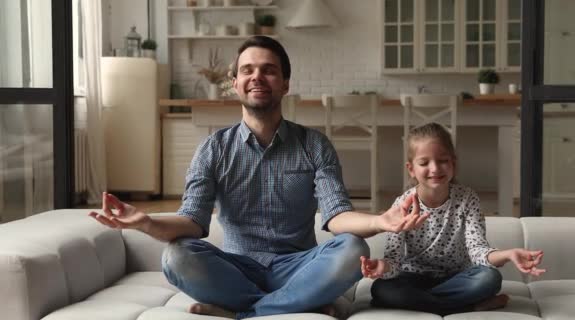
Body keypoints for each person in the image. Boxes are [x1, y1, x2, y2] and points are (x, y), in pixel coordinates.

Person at [89, 36, 429, 320]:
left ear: (285, 84)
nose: (257, 77)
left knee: (353, 247)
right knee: (176, 256)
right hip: (237, 267)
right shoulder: (213, 149)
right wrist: (146, 222)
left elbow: (336, 217)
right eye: (247, 70)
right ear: (234, 82)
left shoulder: (314, 145)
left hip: (299, 265)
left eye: (269, 71)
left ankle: (243, 311)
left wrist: (381, 220)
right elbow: (192, 221)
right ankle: (300, 302)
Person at [360, 122, 546, 316]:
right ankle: (467, 307)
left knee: (490, 278)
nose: (435, 168)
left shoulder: (467, 198)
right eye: (424, 163)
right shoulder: (402, 204)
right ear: (411, 169)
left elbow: (478, 251)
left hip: (457, 278)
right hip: (412, 277)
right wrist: (383, 266)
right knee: (381, 288)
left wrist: (508, 254)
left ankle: (422, 302)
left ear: (453, 164)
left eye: (442, 161)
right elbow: (394, 261)